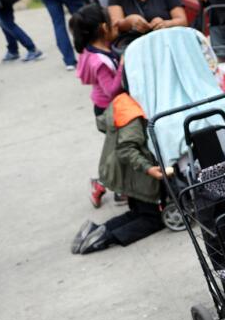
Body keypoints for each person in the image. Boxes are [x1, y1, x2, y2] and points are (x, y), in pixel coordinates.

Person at [70, 92, 166, 254]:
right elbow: (126, 149)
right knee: (153, 219)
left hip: (122, 172)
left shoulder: (122, 100)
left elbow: (102, 124)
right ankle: (107, 237)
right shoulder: (133, 113)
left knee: (139, 212)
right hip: (137, 174)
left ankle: (97, 229)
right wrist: (148, 168)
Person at [71, 4, 124, 207]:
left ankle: (113, 187)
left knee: (119, 150)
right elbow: (111, 89)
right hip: (108, 111)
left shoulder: (94, 49)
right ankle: (104, 185)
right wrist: (122, 65)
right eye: (112, 25)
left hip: (106, 108)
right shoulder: (99, 60)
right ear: (103, 28)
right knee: (122, 151)